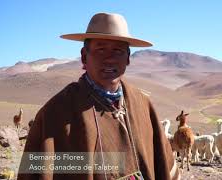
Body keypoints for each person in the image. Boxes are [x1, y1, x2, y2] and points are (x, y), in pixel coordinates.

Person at [18, 12, 180, 180]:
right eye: (101, 49)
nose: (109, 59)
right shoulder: (56, 113)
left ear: (128, 58)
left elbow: (163, 165)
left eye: (118, 51)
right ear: (84, 56)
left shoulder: (143, 105)